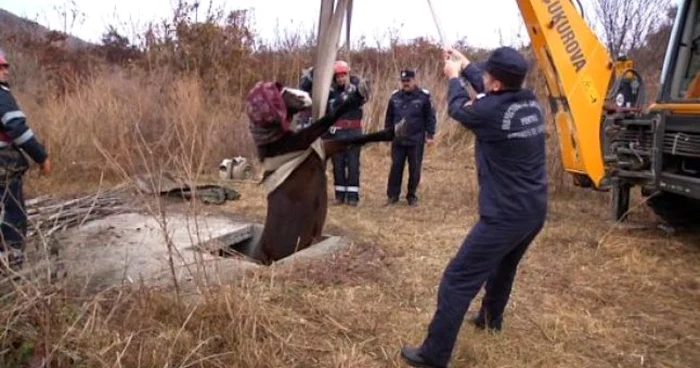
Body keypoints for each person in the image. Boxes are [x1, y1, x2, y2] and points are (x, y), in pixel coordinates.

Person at [400, 46, 548, 368]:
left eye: (486, 74)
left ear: (495, 84)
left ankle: (433, 355)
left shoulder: (489, 111)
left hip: (504, 215)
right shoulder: (529, 102)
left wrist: (453, 77)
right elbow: (489, 91)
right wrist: (464, 62)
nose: (482, 76)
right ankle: (490, 319)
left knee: (457, 279)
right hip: (534, 210)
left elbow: (458, 108)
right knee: (504, 265)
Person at [0, 48, 52, 275]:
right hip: (4, 167)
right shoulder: (1, 96)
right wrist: (42, 156)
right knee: (13, 214)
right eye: (1, 67)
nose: (5, 70)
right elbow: (18, 130)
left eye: (5, 65)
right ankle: (11, 266)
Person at [299, 60, 369, 206]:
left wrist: (357, 89)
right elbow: (306, 91)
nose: (341, 79)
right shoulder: (331, 92)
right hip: (336, 133)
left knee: (352, 163)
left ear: (348, 75)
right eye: (338, 76)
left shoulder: (356, 88)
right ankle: (340, 195)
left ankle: (352, 196)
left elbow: (364, 94)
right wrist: (312, 74)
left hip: (353, 132)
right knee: (338, 164)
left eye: (343, 75)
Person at [384, 68, 436, 207]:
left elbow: (430, 117)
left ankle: (411, 195)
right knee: (396, 168)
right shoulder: (395, 97)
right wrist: (387, 133)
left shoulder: (423, 97)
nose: (405, 83)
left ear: (414, 80)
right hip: (398, 139)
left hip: (416, 139)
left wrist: (430, 134)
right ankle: (392, 196)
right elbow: (389, 117)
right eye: (403, 81)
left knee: (414, 169)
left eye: (408, 81)